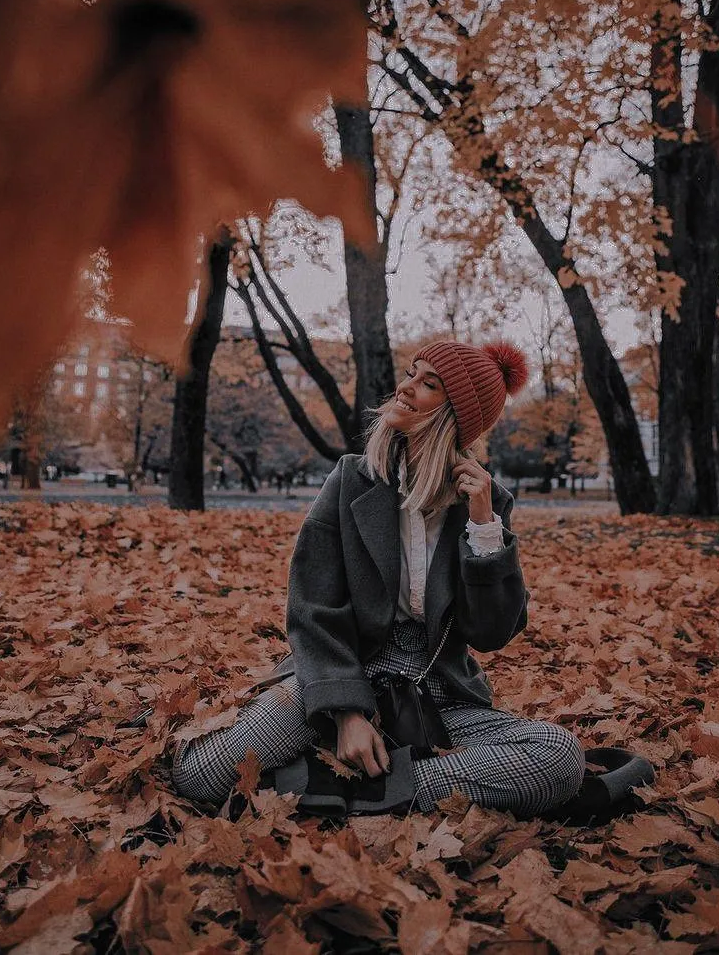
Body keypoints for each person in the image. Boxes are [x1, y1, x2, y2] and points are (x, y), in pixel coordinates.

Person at [172, 341, 585, 817]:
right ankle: (378, 783)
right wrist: (346, 711)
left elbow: (491, 633)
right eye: (412, 373)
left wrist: (484, 529)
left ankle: (346, 788)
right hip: (342, 673)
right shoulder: (351, 479)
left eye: (429, 384)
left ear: (455, 415)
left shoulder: (487, 504)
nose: (406, 387)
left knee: (558, 756)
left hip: (437, 694)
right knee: (202, 772)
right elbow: (312, 609)